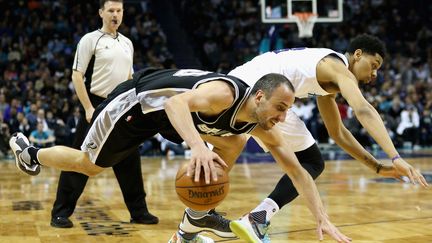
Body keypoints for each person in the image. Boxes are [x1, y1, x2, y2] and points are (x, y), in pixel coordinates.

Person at [10, 68, 351, 243]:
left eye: (288, 110)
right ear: (259, 97)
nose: (282, 117)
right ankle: (31, 152)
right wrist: (199, 147)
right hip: (137, 104)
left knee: (234, 142)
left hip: (170, 118)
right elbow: (174, 103)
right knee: (90, 166)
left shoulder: (261, 125)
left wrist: (321, 215)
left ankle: (197, 215)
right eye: (280, 107)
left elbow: (298, 171)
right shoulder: (224, 94)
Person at [174, 34, 429, 242]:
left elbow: (338, 133)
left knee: (223, 160)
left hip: (248, 83)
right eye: (374, 65)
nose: (374, 75)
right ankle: (251, 219)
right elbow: (363, 109)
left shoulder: (327, 82)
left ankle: (187, 232)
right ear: (358, 54)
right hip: (257, 90)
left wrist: (376, 166)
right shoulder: (337, 67)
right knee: (302, 161)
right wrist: (395, 157)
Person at [49, 0, 158, 228]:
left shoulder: (128, 43)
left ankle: (139, 212)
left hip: (122, 104)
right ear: (101, 13)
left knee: (129, 158)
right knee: (80, 159)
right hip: (97, 104)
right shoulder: (90, 40)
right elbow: (77, 76)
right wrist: (89, 108)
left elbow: (129, 78)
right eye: (110, 11)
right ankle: (60, 212)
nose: (115, 15)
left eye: (119, 11)